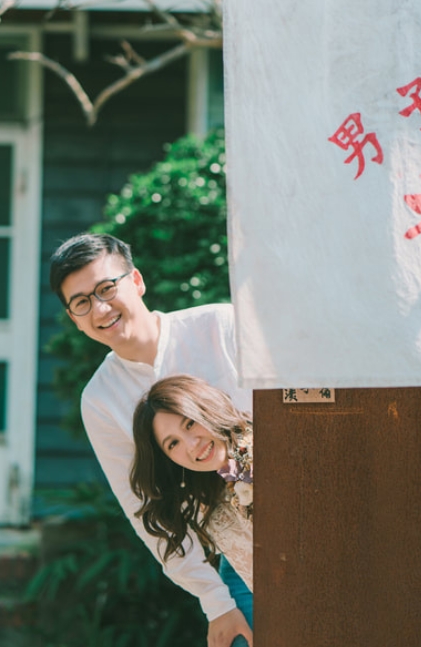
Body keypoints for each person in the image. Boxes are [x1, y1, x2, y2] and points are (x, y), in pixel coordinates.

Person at [50, 233, 253, 647]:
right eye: (82, 303)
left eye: (107, 288)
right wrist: (216, 601)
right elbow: (145, 509)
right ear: (74, 318)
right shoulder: (102, 400)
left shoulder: (220, 326)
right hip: (243, 563)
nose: (100, 309)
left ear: (137, 280)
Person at [130, 375, 254, 640]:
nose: (191, 445)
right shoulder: (213, 502)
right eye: (173, 443)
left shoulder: (270, 443)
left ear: (208, 408)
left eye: (190, 423)